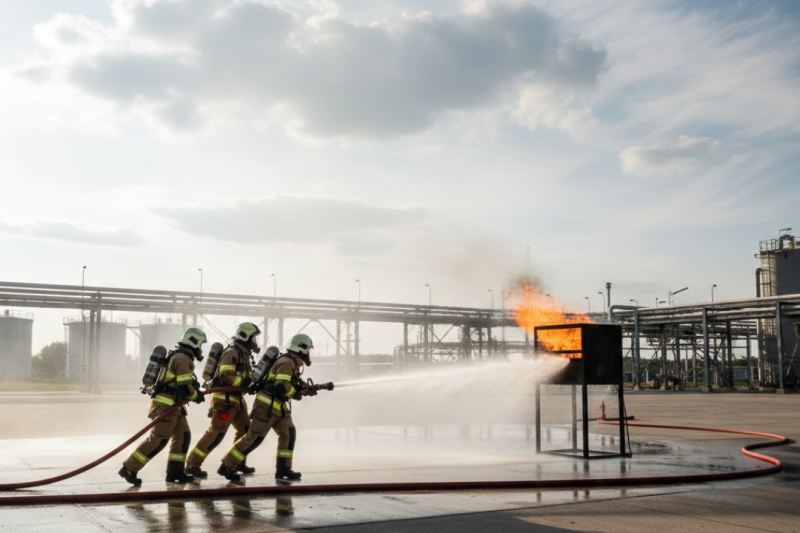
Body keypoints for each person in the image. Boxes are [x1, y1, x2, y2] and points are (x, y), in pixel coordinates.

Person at [218, 333, 315, 482]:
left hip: (278, 407)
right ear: (302, 349)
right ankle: (227, 466)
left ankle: (283, 468)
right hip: (266, 406)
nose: (309, 354)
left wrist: (305, 387)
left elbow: (291, 381)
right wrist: (296, 393)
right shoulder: (287, 362)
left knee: (288, 433)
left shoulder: (292, 362)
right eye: (308, 350)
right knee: (254, 438)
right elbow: (282, 385)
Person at [119, 327, 206, 485]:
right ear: (194, 343)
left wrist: (194, 392)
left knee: (183, 436)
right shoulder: (183, 359)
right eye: (200, 345)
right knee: (158, 440)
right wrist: (196, 396)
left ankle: (175, 472)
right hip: (166, 406)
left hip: (174, 407)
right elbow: (184, 387)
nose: (200, 349)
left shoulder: (179, 356)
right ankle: (129, 468)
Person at [184, 322, 260, 478]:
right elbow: (226, 376)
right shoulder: (232, 352)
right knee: (216, 433)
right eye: (253, 338)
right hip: (224, 401)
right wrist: (244, 382)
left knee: (246, 430)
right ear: (245, 336)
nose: (254, 341)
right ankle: (192, 464)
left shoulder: (243, 353)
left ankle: (237, 463)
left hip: (236, 400)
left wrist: (251, 383)